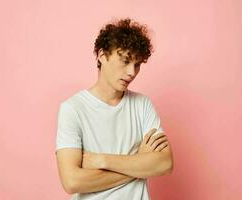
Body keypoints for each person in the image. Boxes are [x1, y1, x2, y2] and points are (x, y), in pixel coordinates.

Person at [55, 18, 173, 200]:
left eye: (137, 64)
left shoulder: (142, 105)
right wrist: (139, 164)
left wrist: (102, 160)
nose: (131, 72)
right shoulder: (72, 109)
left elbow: (164, 163)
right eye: (125, 61)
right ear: (102, 55)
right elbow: (72, 182)